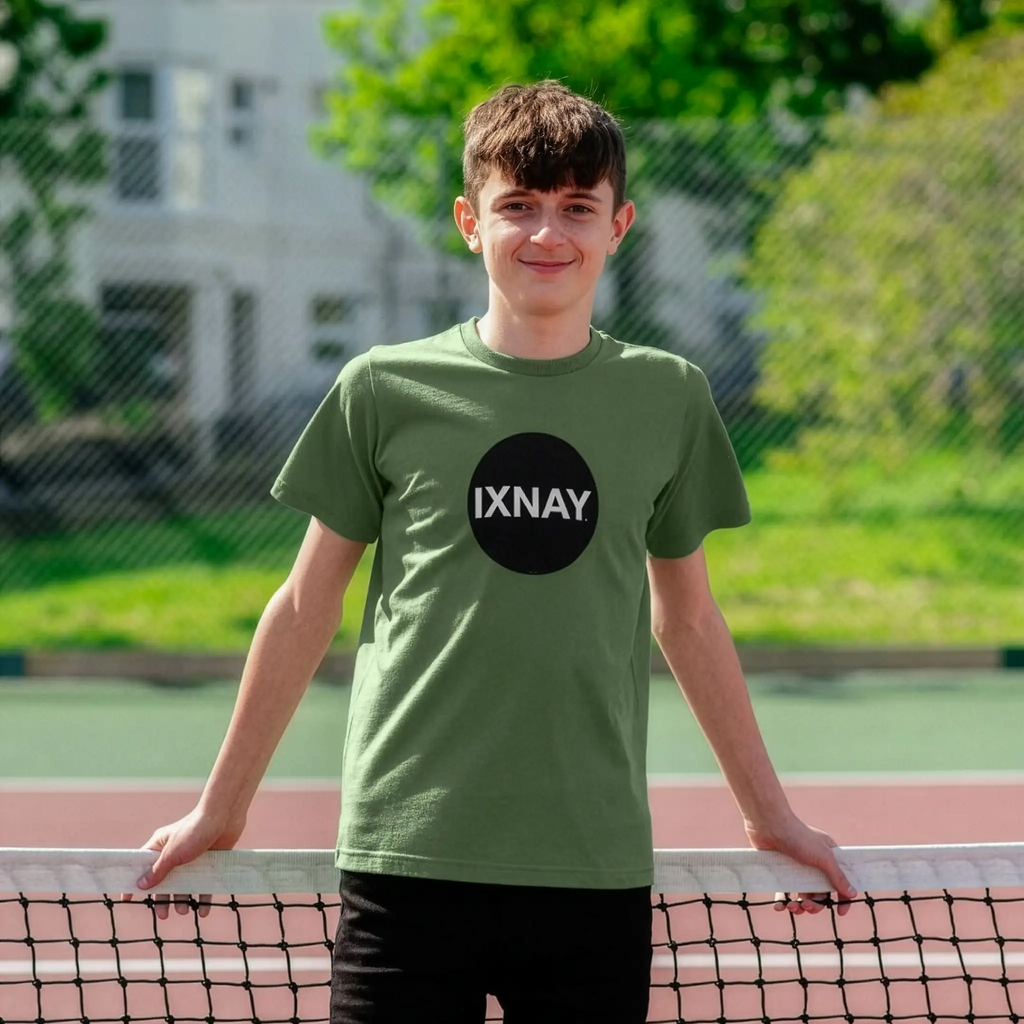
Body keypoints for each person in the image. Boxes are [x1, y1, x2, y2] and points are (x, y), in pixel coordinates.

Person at [133, 81, 856, 1023]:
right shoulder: (382, 388)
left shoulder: (669, 398)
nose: (546, 234)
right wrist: (221, 809)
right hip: (406, 860)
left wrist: (769, 816)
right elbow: (306, 607)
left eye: (575, 209)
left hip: (590, 868)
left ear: (618, 224)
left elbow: (689, 619)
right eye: (518, 206)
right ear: (471, 221)